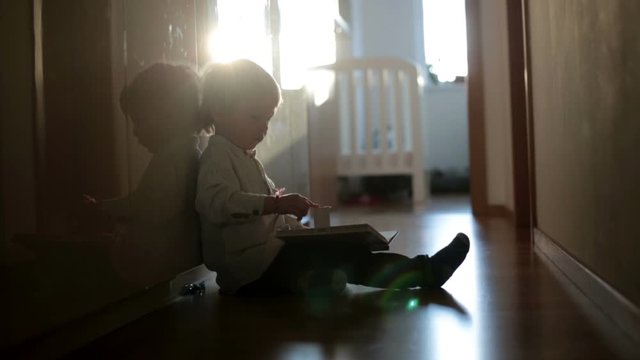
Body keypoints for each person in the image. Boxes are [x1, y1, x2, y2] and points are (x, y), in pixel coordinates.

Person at [196, 59, 470, 296]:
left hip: (265, 260)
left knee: (341, 250)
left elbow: (265, 218)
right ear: (220, 110)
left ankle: (420, 270)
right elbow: (217, 202)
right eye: (255, 117)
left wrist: (298, 227)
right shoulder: (217, 156)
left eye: (267, 119)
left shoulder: (244, 157)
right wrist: (276, 204)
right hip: (247, 273)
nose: (264, 128)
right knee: (325, 257)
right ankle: (417, 272)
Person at [89, 62, 203, 285]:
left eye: (139, 120)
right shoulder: (189, 154)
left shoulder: (171, 159)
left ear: (166, 115)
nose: (134, 131)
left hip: (161, 266)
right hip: (180, 263)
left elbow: (145, 206)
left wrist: (102, 209)